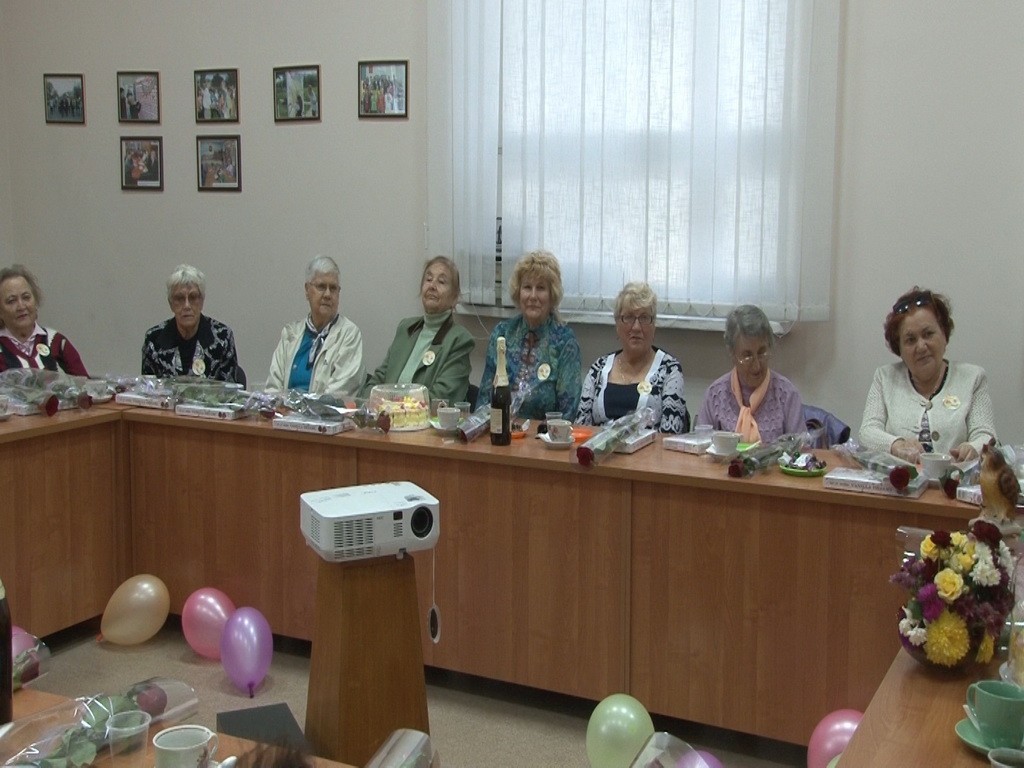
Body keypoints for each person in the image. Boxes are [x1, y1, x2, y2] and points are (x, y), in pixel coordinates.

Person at [859, 287, 995, 463]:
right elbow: (867, 432)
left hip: (955, 478)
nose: (921, 346)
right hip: (900, 478)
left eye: (928, 334)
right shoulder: (884, 378)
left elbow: (986, 435)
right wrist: (896, 445)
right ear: (899, 348)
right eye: (910, 340)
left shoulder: (973, 378)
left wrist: (973, 448)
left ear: (944, 335)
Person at [475, 249, 581, 420]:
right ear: (518, 292)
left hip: (542, 434)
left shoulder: (564, 342)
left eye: (540, 288)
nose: (533, 296)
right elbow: (484, 400)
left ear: (552, 294)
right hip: (500, 431)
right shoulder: (502, 334)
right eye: (527, 287)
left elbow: (568, 414)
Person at [576, 281, 689, 433]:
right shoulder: (599, 368)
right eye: (628, 317)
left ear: (654, 326)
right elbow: (581, 428)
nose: (636, 327)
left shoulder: (669, 369)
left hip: (651, 448)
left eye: (644, 318)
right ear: (617, 325)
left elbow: (669, 437)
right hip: (598, 447)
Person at [361, 256, 474, 402]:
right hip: (385, 413)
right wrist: (370, 399)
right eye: (428, 279)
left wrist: (393, 405)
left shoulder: (459, 339)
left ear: (454, 297)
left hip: (424, 417)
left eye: (441, 282)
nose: (432, 286)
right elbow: (378, 380)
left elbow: (441, 398)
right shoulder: (406, 328)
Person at [696, 304, 803, 443]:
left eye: (762, 353)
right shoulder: (715, 396)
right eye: (747, 356)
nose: (757, 365)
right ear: (732, 354)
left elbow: (801, 451)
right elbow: (701, 448)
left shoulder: (787, 395)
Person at [266, 255, 363, 396]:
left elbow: (338, 395)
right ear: (307, 290)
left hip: (322, 411)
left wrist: (301, 408)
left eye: (333, 288)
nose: (328, 294)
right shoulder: (290, 333)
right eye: (321, 287)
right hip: (284, 409)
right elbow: (272, 389)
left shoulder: (349, 334)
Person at [141, 264, 239, 381]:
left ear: (202, 301)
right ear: (171, 303)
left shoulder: (223, 337)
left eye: (193, 297)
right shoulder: (154, 340)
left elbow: (229, 389)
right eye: (179, 298)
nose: (187, 305)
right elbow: (148, 389)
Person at [0, 264, 88, 375]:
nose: (21, 306)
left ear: (35, 301)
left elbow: (85, 383)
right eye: (11, 301)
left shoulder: (57, 342)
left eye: (26, 297)